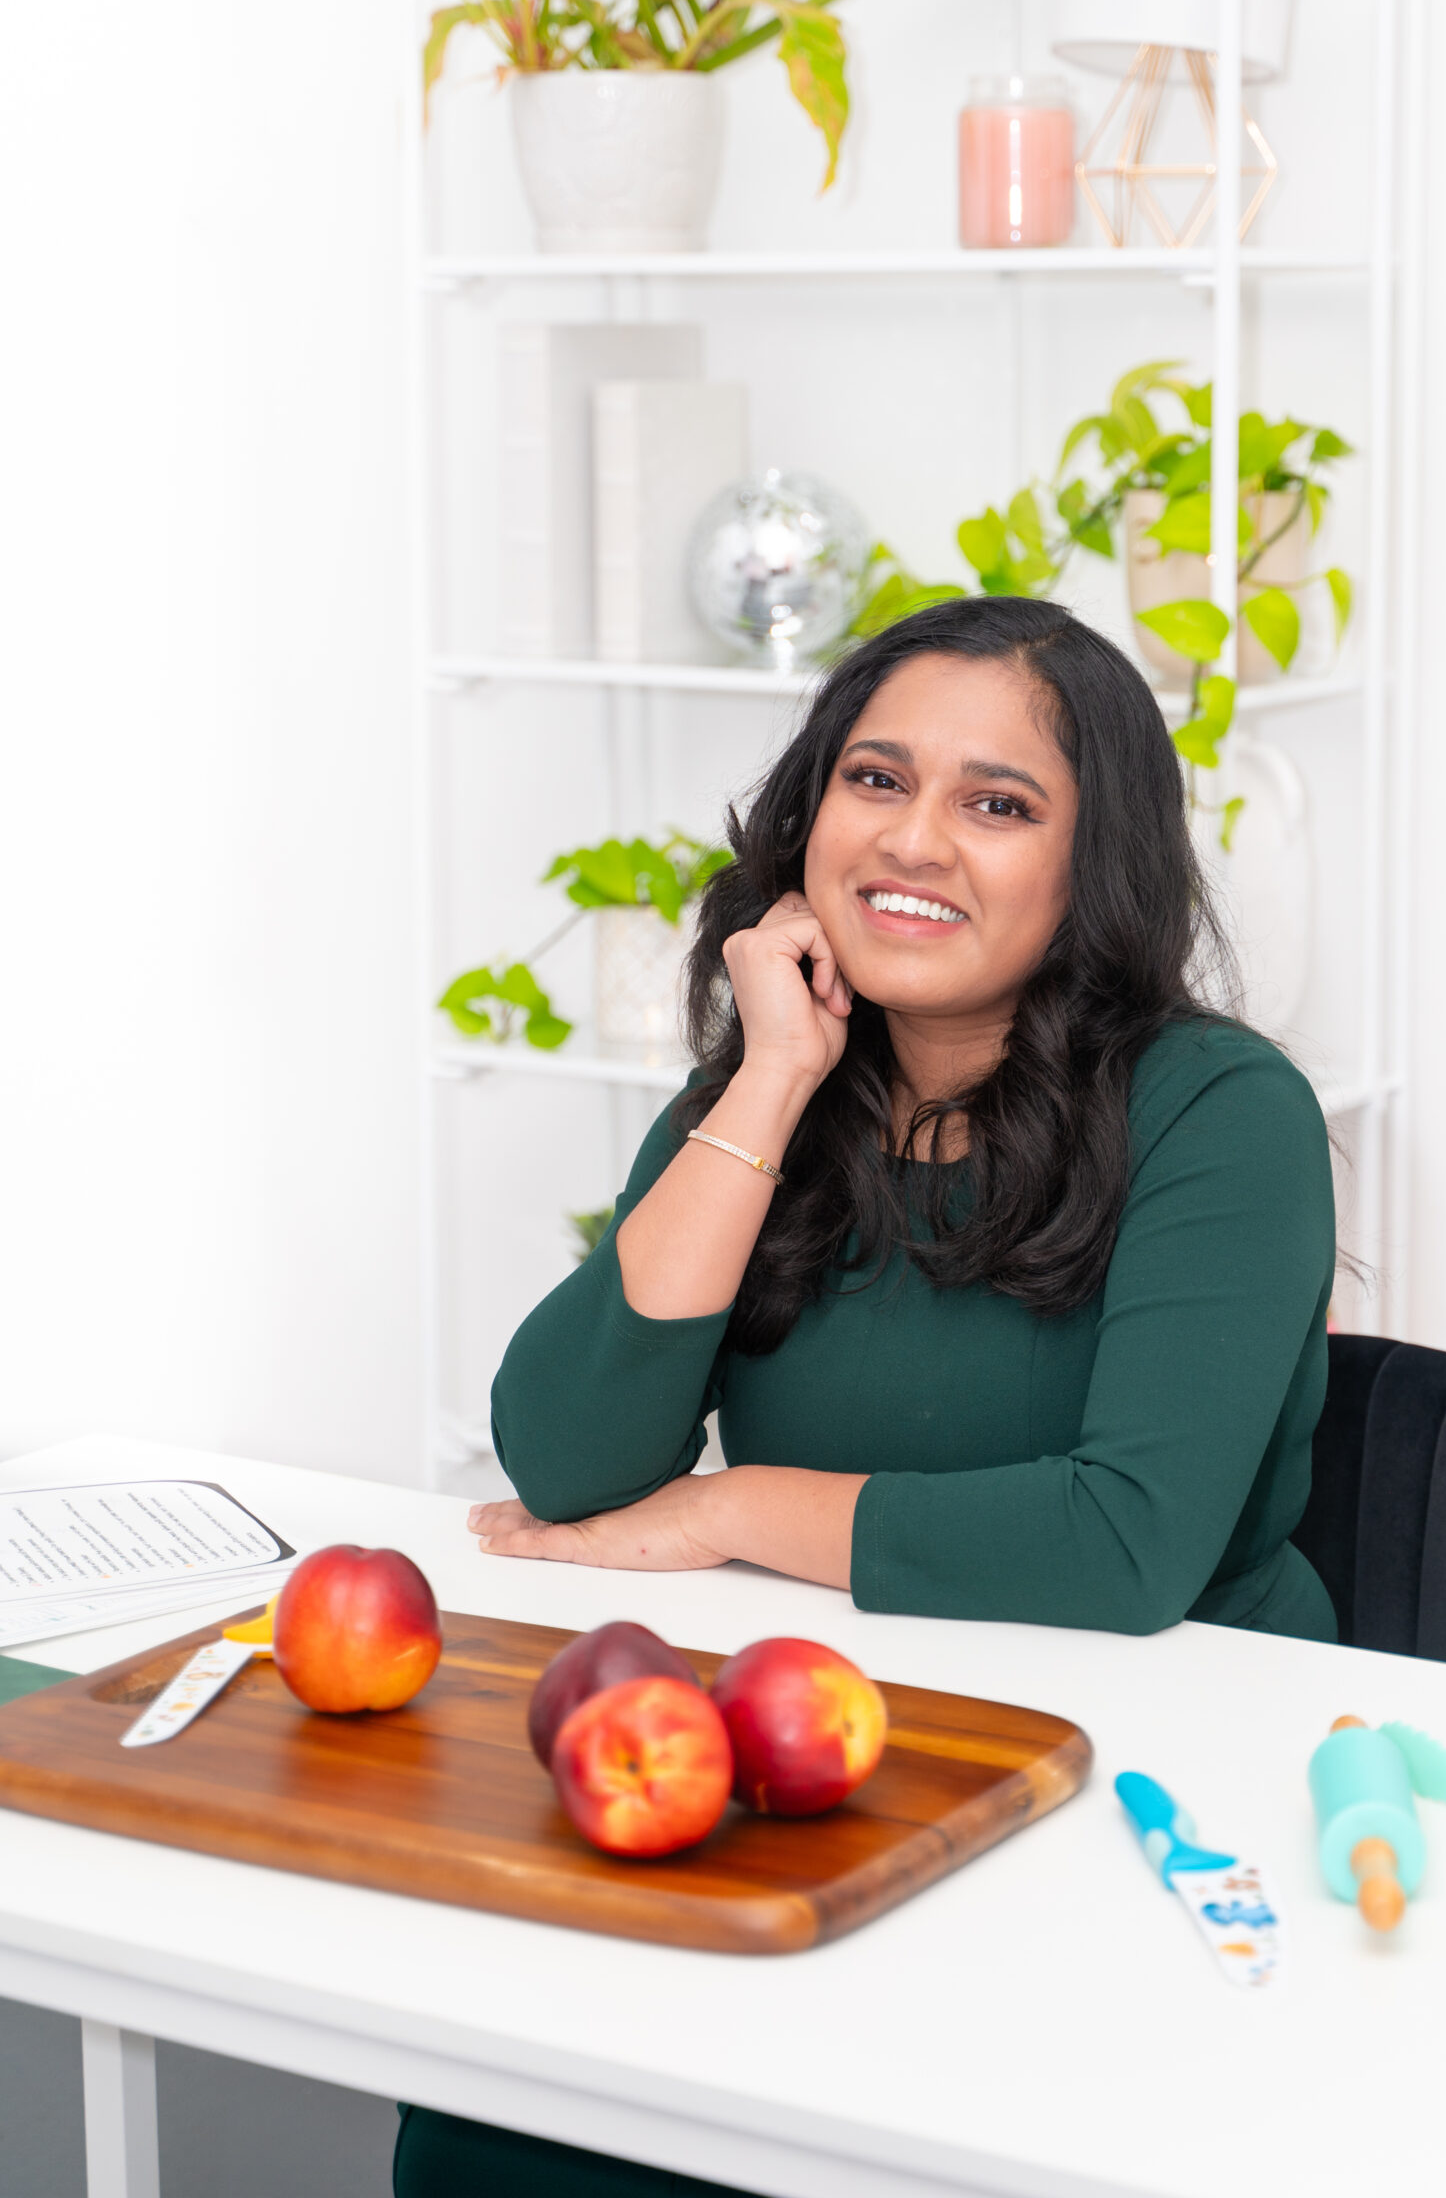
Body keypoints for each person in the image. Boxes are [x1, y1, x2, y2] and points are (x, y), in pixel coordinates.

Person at [394, 595, 1334, 2198]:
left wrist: (732, 1509)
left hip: (1150, 1765)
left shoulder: (1219, 1112)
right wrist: (765, 1084)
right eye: (876, 780)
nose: (917, 839)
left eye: (998, 802)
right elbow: (564, 1459)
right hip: (833, 1730)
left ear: (1090, 862)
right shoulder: (779, 1078)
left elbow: (1127, 1548)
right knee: (506, 2108)